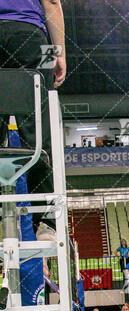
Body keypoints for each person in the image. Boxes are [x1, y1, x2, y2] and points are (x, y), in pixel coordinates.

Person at [0, 0, 66, 238]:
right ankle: (47, 221)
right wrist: (59, 55)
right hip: (29, 35)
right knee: (39, 128)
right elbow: (51, 2)